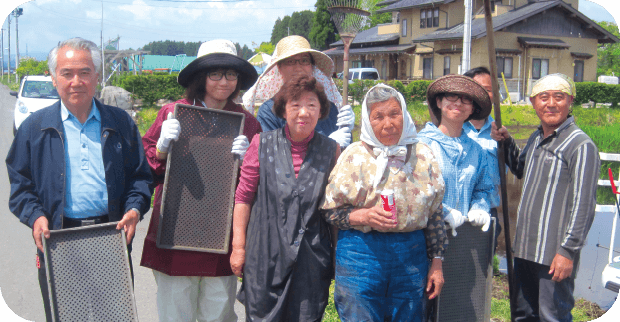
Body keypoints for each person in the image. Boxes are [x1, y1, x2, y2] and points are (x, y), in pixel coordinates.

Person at [5, 37, 153, 322]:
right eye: (67, 73)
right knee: (65, 316)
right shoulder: (35, 128)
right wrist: (35, 216)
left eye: (85, 72)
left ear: (96, 77)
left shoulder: (120, 122)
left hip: (111, 236)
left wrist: (134, 209)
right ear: (53, 77)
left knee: (114, 316)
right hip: (57, 239)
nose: (76, 81)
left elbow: (141, 177)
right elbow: (21, 186)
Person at [139, 39, 262, 322]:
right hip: (175, 232)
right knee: (175, 313)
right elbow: (146, 168)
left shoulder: (247, 122)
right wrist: (161, 147)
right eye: (215, 73)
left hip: (221, 235)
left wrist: (249, 162)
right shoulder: (173, 113)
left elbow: (255, 185)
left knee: (218, 313)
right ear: (201, 76)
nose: (224, 81)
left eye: (231, 74)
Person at [320, 84, 447, 321]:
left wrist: (437, 263)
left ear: (405, 114)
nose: (388, 124)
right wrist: (362, 216)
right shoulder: (354, 155)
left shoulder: (423, 155)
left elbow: (435, 214)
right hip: (361, 253)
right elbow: (330, 211)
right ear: (368, 121)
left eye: (394, 114)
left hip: (411, 253)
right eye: (378, 117)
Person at [231, 75, 340, 321]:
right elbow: (243, 198)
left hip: (311, 260)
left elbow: (335, 210)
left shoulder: (331, 150)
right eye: (295, 105)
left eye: (311, 105)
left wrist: (336, 256)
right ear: (283, 110)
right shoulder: (261, 143)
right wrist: (238, 248)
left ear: (321, 110)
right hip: (264, 258)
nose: (304, 112)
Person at [491, 73, 600, 321]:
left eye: (558, 97)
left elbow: (584, 206)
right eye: (544, 97)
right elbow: (519, 168)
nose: (551, 103)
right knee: (523, 315)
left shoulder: (580, 145)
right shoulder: (536, 137)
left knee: (552, 315)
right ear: (533, 103)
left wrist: (567, 251)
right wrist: (506, 141)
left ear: (570, 100)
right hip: (525, 249)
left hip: (553, 254)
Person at [243, 35, 354, 148]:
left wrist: (346, 129)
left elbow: (347, 155)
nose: (298, 67)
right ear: (279, 68)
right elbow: (272, 157)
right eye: (291, 61)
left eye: (304, 60)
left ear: (312, 67)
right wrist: (328, 145)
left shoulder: (329, 109)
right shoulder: (269, 112)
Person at [418, 74, 495, 235]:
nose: (459, 103)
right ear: (439, 102)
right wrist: (443, 212)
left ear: (473, 108)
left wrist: (479, 208)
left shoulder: (477, 151)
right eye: (452, 96)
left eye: (466, 99)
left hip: (464, 239)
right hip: (427, 237)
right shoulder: (421, 145)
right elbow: (416, 190)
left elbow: (483, 189)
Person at [462, 66, 502, 248]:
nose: (482, 95)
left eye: (488, 90)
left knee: (481, 273)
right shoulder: (450, 130)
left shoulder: (500, 133)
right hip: (453, 212)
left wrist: (506, 145)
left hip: (488, 213)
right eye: (477, 89)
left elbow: (514, 170)